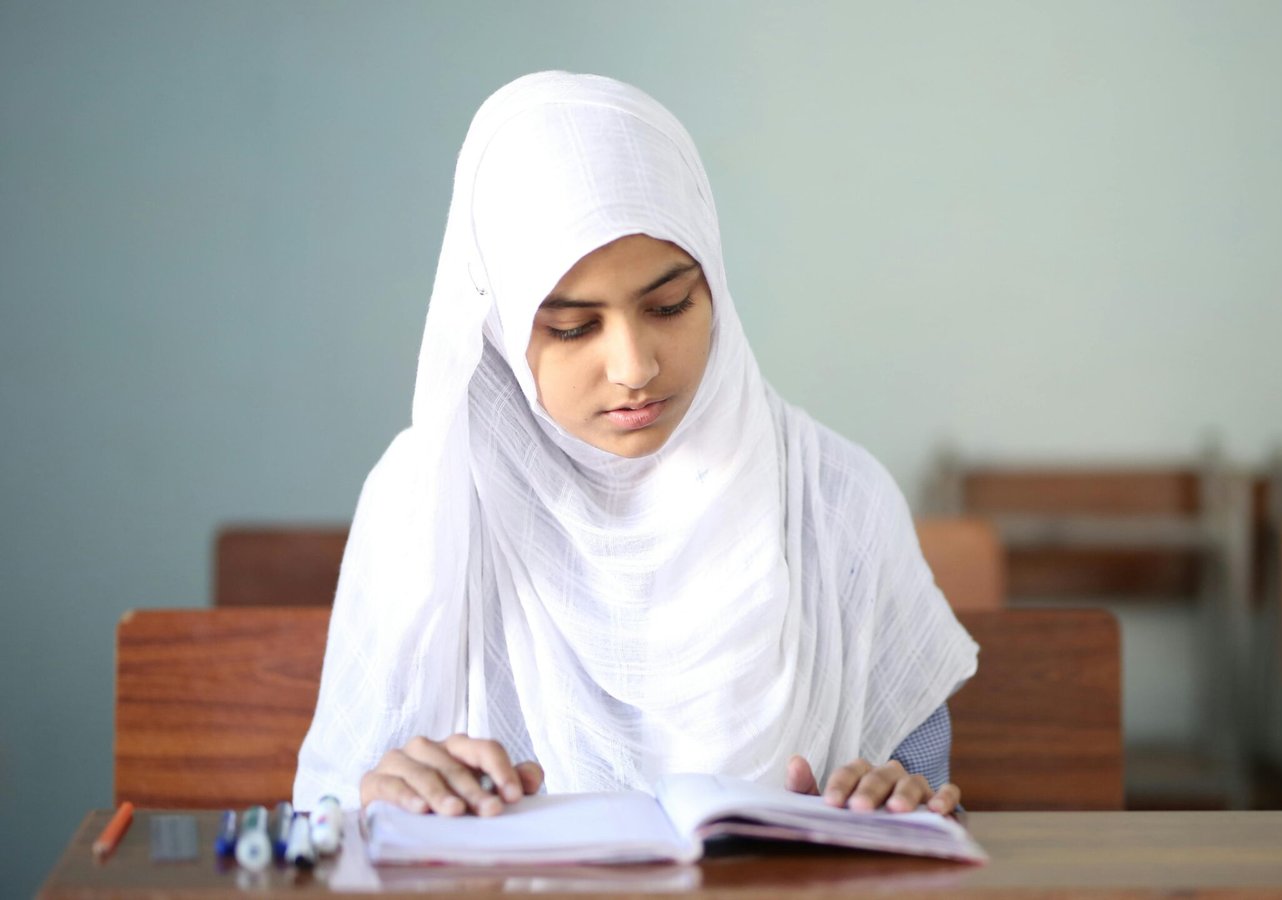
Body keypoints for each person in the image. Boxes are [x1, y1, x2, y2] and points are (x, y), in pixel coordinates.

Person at [293, 72, 978, 819]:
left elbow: (921, 793)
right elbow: (327, 814)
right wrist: (378, 797)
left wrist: (899, 797)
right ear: (497, 321)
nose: (635, 368)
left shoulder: (838, 500)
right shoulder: (424, 502)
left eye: (670, 305)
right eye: (572, 327)